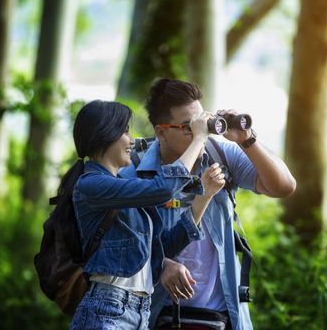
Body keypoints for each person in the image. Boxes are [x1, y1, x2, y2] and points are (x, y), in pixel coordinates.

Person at [120, 79, 297, 329]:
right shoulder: (136, 169)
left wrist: (246, 140)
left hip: (220, 314)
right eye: (187, 127)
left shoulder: (220, 155)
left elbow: (284, 187)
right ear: (161, 132)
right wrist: (160, 264)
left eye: (200, 122)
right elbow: (122, 242)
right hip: (157, 313)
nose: (198, 133)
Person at [59, 100, 225, 329]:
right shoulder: (91, 185)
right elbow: (162, 189)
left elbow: (166, 245)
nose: (132, 140)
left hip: (139, 312)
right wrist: (198, 138)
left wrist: (204, 197)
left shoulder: (124, 188)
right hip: (107, 309)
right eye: (125, 131)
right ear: (105, 135)